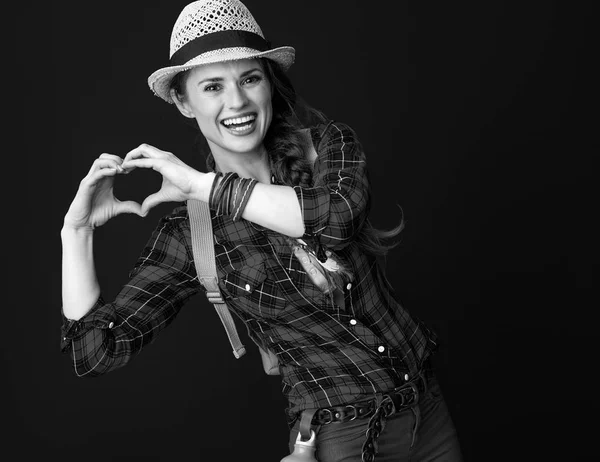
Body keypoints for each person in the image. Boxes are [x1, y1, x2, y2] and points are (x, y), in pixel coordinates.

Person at [60, 1, 464, 460]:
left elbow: (335, 219)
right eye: (213, 86)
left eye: (249, 78)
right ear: (183, 101)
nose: (237, 102)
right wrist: (75, 233)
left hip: (428, 412)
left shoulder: (329, 146)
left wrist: (202, 183)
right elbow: (93, 353)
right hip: (340, 443)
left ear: (268, 84)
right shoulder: (191, 235)